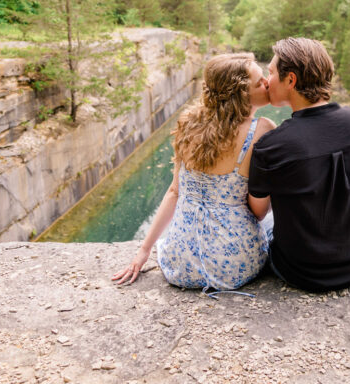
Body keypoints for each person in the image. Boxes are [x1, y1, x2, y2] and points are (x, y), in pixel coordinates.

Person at [112, 53, 275, 293]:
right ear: (241, 94)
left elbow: (174, 192)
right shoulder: (262, 129)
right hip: (232, 267)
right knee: (271, 219)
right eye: (259, 81)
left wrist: (145, 249)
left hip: (181, 264)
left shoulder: (188, 123)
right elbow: (259, 213)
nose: (267, 84)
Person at [248, 37, 350, 292]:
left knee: (266, 225)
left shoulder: (272, 144)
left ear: (290, 80)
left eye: (270, 72)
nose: (267, 81)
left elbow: (258, 211)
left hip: (298, 273)